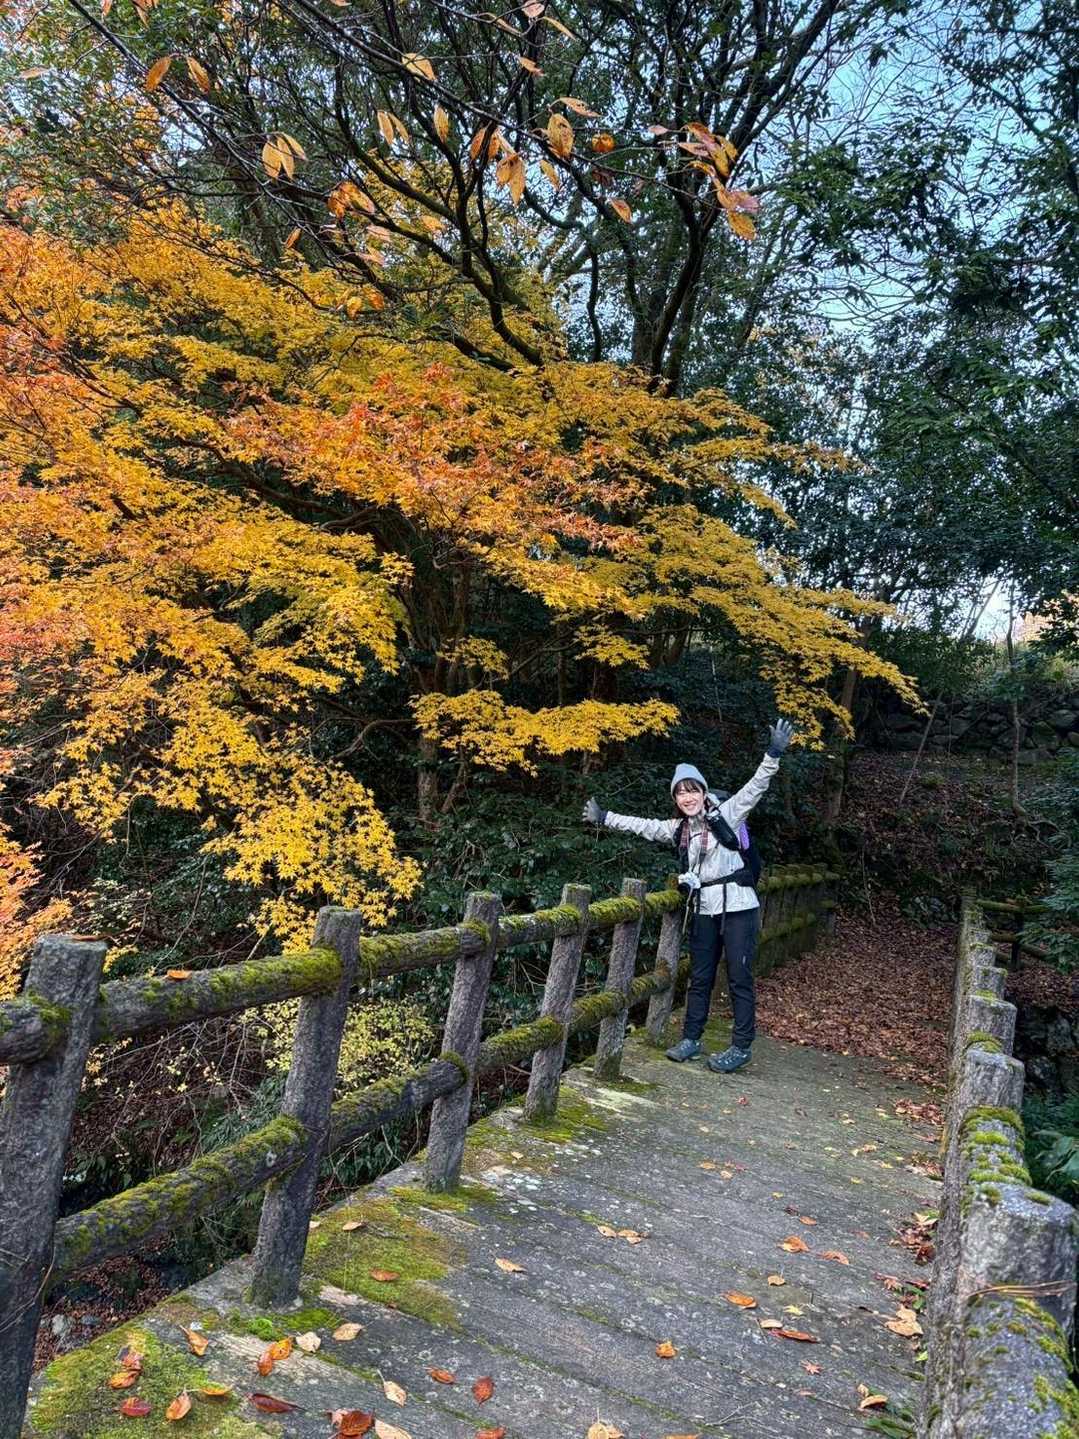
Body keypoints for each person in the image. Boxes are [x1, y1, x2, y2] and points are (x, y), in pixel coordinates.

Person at [582, 719, 794, 1073]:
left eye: (692, 790)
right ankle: (691, 1038)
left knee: (740, 977)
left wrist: (773, 753)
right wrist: (605, 817)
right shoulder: (680, 828)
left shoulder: (728, 813)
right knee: (700, 976)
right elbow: (643, 825)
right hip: (705, 909)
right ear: (676, 799)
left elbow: (756, 786)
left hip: (739, 907)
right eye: (680, 793)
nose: (687, 797)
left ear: (703, 791)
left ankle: (741, 1046)